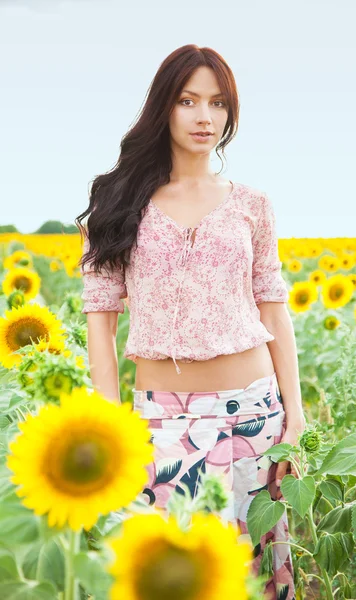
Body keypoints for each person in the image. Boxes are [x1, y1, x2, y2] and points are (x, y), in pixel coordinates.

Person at [77, 44, 306, 600]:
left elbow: (274, 305)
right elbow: (100, 320)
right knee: (167, 576)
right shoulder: (116, 201)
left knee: (251, 577)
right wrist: (114, 427)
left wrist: (295, 419)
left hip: (253, 415)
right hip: (159, 425)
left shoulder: (252, 204)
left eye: (218, 103)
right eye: (188, 101)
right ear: (164, 108)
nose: (206, 117)